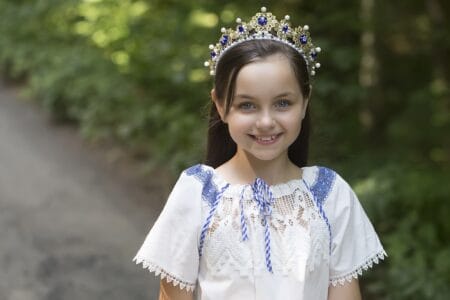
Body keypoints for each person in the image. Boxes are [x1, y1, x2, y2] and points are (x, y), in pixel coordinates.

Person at [134, 7, 386, 300]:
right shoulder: (198, 194)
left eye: (282, 103)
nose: (266, 122)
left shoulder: (330, 196)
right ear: (220, 105)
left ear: (305, 102)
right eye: (247, 105)